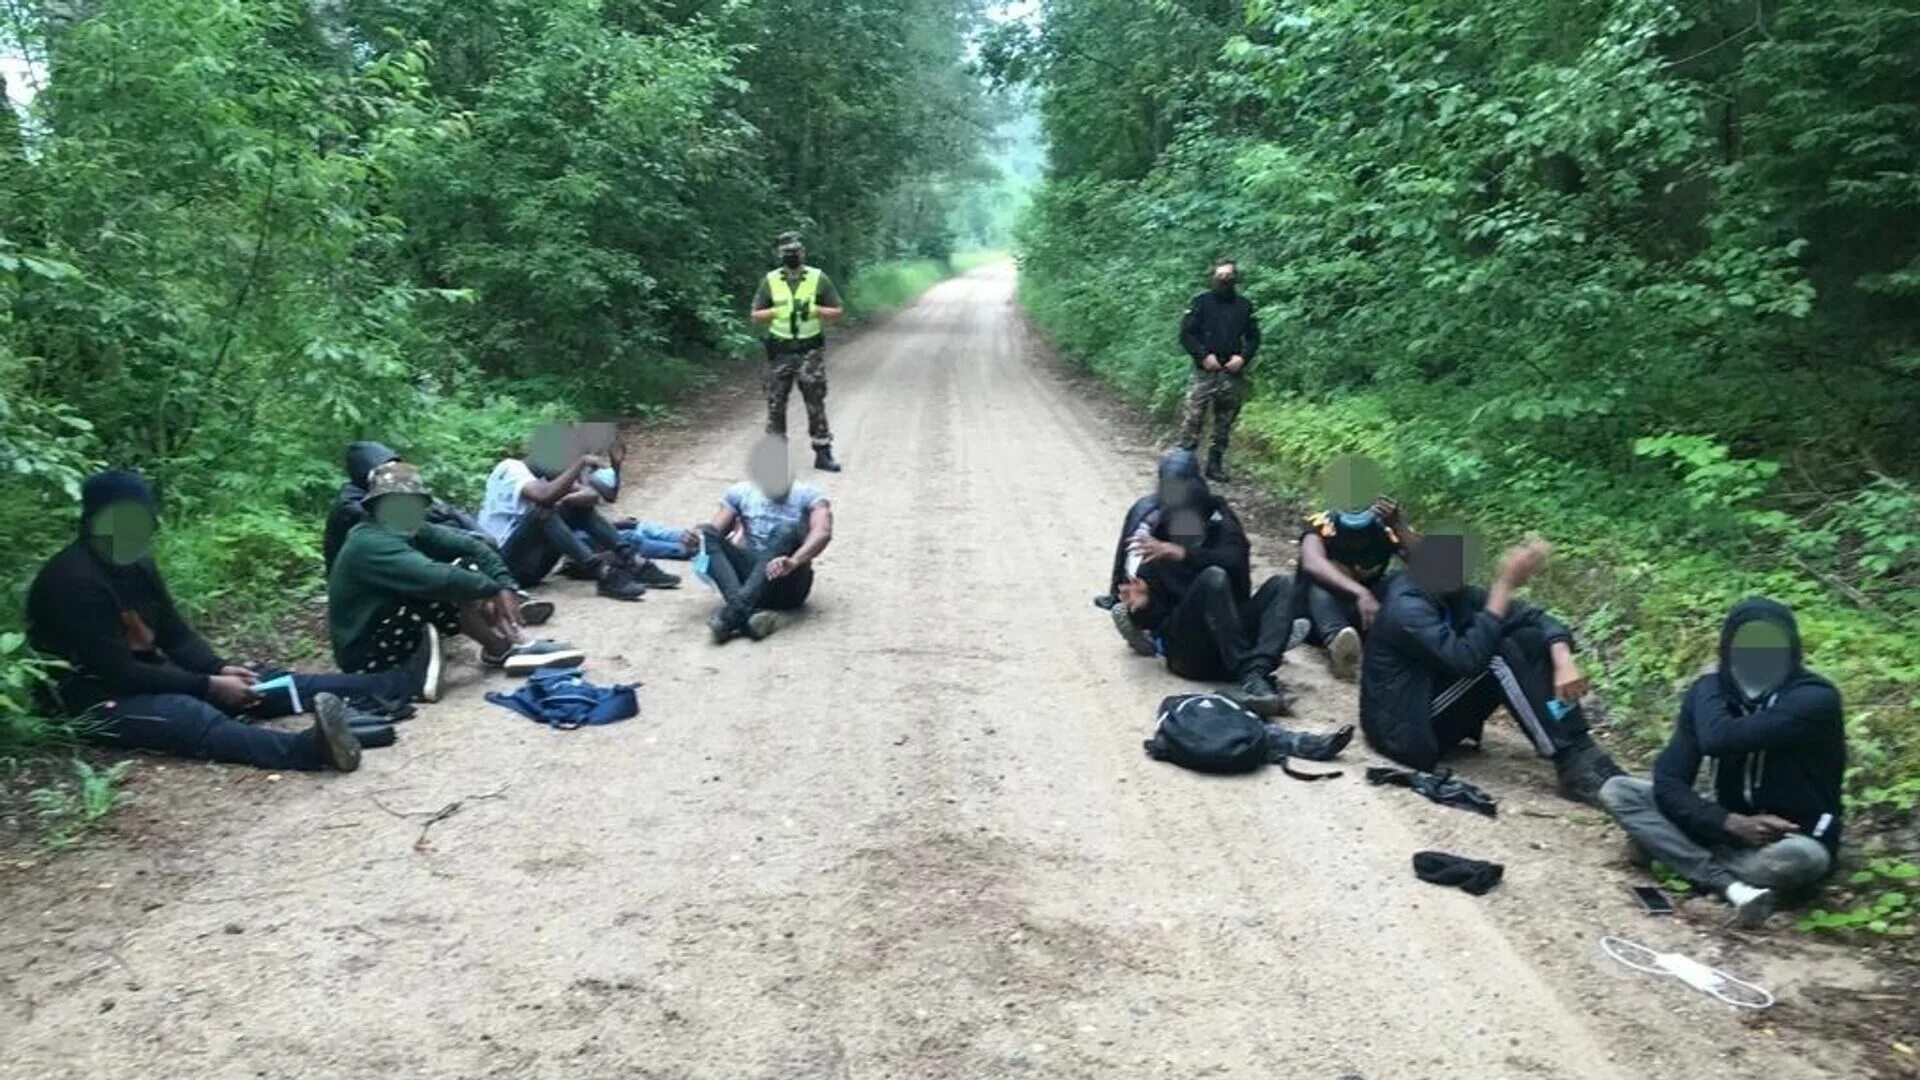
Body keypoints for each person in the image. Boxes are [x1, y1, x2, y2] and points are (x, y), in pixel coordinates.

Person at [26, 469, 399, 773]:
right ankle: (309, 750)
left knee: (260, 683)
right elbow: (118, 672)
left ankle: (386, 684)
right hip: (90, 698)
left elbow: (173, 634)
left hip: (142, 675)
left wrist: (217, 667)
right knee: (189, 714)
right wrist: (207, 685)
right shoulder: (73, 582)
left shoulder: (138, 563)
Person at [1599, 599, 1844, 928]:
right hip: (1725, 828)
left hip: (1791, 838)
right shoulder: (1713, 695)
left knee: (1799, 861)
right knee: (1619, 790)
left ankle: (1669, 849)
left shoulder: (1814, 698)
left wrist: (1707, 684)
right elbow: (1670, 779)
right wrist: (1727, 821)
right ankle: (1725, 883)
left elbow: (1722, 738)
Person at [1360, 532, 1622, 805]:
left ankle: (1583, 747)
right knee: (1498, 652)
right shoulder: (1406, 607)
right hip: (1402, 728)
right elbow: (1468, 660)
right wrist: (1504, 585)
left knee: (1529, 638)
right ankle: (1571, 763)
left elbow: (1533, 617)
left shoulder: (1456, 594)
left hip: (1431, 703)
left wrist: (1562, 658)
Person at [329, 461, 586, 696]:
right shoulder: (370, 543)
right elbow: (437, 578)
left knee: (466, 565)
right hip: (365, 653)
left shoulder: (407, 528)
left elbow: (473, 546)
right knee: (447, 583)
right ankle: (502, 648)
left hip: (388, 626)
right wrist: (492, 588)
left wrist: (504, 584)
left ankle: (509, 643)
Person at [1108, 450, 1294, 716]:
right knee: (1213, 579)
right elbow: (1154, 619)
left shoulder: (1220, 518)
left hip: (1230, 637)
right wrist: (1142, 606)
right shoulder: (1157, 531)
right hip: (1190, 653)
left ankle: (1256, 674)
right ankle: (1251, 670)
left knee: (1283, 584)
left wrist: (1184, 553)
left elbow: (1236, 560)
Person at [324, 441, 556, 625]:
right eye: (387, 468)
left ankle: (506, 612)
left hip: (396, 560)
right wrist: (492, 585)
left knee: (465, 545)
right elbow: (419, 540)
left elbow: (441, 511)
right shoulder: (353, 507)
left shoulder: (390, 494)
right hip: (371, 582)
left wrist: (479, 536)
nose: (394, 472)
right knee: (449, 575)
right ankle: (501, 607)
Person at [477, 443, 678, 601]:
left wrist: (567, 499)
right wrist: (581, 463)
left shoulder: (548, 477)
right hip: (506, 566)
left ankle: (634, 561)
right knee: (543, 511)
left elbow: (591, 496)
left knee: (570, 508)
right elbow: (544, 497)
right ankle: (603, 573)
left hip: (533, 569)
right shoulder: (511, 468)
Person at [698, 437, 833, 644]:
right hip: (751, 578)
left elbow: (822, 531)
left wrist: (795, 561)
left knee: (786, 530)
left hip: (788, 583)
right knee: (706, 534)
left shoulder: (809, 495)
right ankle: (747, 615)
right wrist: (692, 541)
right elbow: (715, 532)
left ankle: (730, 615)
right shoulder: (740, 493)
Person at [751, 232, 844, 473]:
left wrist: (816, 310)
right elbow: (755, 315)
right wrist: (777, 312)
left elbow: (837, 311)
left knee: (815, 400)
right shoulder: (770, 280)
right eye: (787, 252)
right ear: (780, 254)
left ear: (803, 252)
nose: (792, 255)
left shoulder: (817, 278)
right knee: (775, 404)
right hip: (779, 350)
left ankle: (823, 452)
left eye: (796, 251)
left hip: (809, 349)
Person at [1296, 497, 1417, 682]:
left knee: (1404, 581)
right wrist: (1361, 593)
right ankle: (1339, 645)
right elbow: (1312, 562)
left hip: (1364, 616)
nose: (1356, 542)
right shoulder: (1321, 523)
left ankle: (1404, 641)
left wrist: (1399, 525)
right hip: (1317, 616)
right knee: (1318, 580)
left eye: (1361, 536)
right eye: (1350, 536)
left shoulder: (1386, 529)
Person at [1177, 260, 1261, 483]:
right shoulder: (1200, 302)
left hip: (1232, 373)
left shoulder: (1244, 305)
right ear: (1213, 277)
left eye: (1229, 275)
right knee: (1193, 418)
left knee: (1224, 421)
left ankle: (1214, 465)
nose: (1225, 279)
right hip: (1204, 372)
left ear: (1235, 278)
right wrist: (1203, 356)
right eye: (1220, 275)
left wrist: (1243, 357)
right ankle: (1183, 466)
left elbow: (1254, 337)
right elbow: (1186, 334)